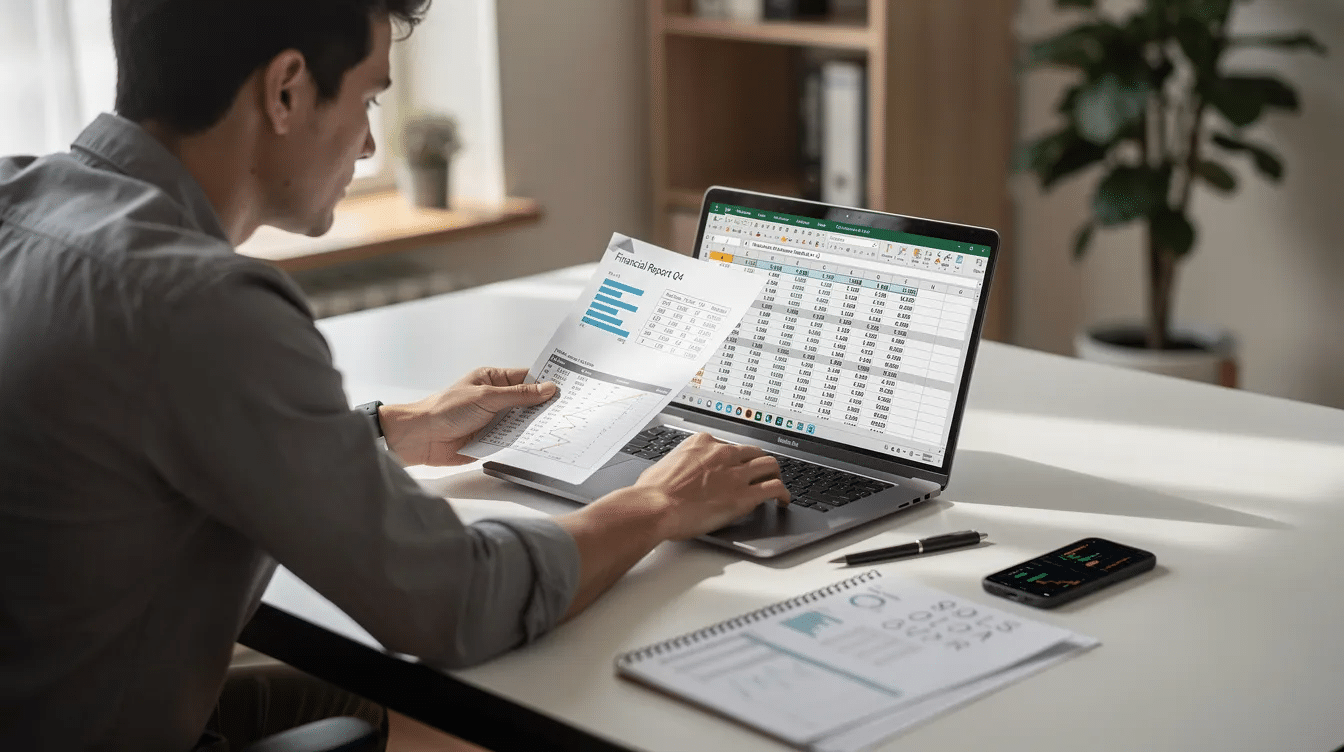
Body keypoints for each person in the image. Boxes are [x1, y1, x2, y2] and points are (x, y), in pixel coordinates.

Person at [0, 1, 788, 749]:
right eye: (370, 98)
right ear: (285, 90)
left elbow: (150, 442)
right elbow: (456, 603)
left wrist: (392, 431)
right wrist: (656, 504)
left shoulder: (21, 199)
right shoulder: (201, 304)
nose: (370, 146)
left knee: (349, 703)